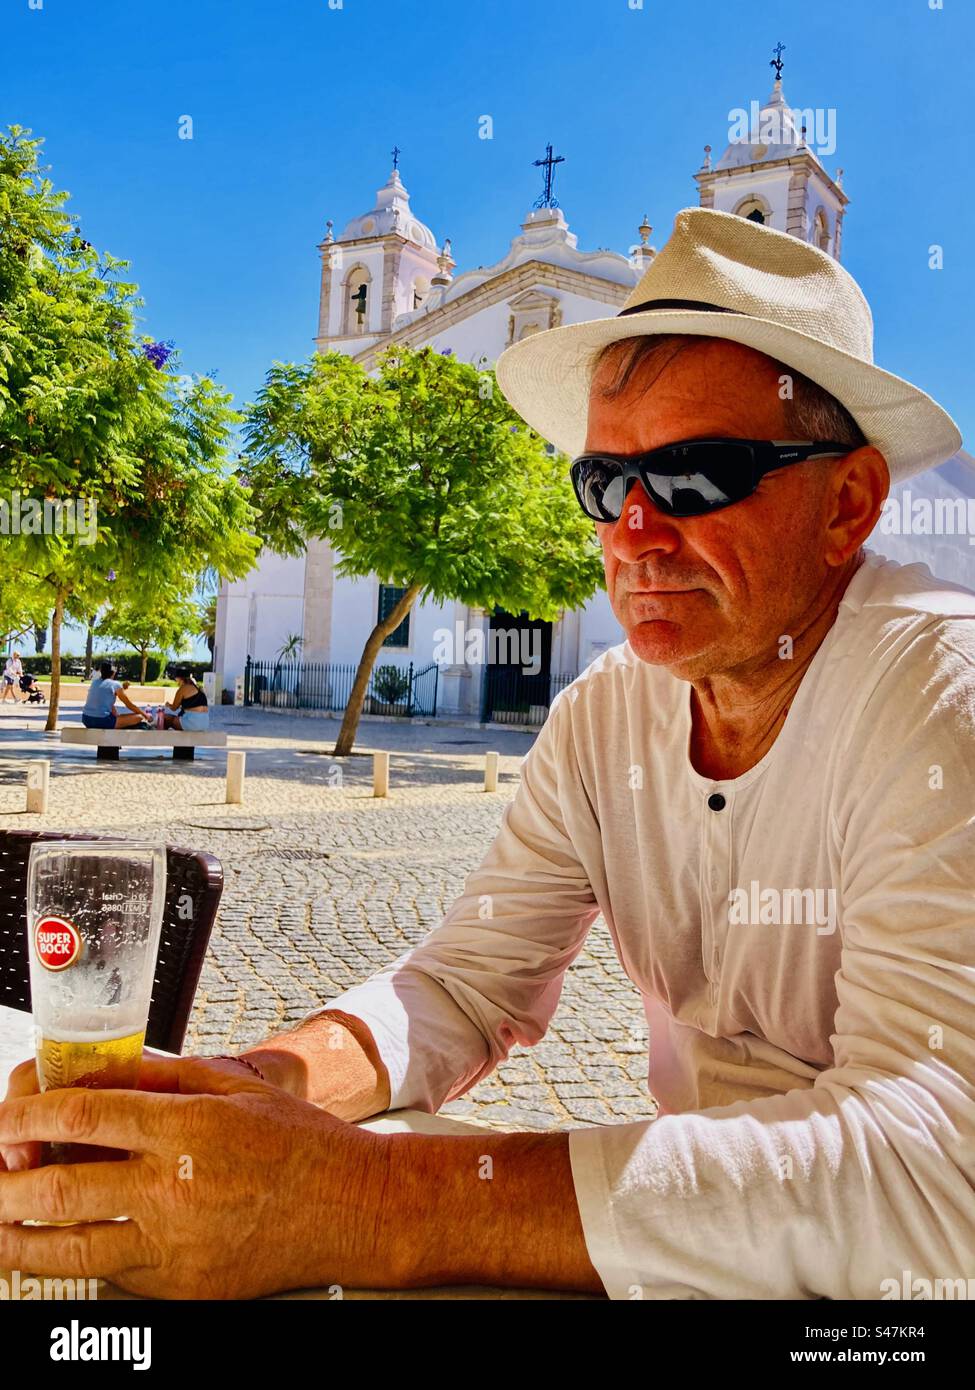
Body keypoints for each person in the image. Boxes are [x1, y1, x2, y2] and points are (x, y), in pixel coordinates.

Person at [2, 209, 973, 1301]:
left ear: (849, 504)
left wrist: (360, 1199)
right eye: (605, 484)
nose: (636, 533)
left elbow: (937, 1182)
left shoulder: (944, 697)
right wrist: (250, 1088)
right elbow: (464, 986)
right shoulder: (608, 714)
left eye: (700, 474)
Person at [80, 661, 151, 730]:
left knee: (114, 712)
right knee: (139, 717)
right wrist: (145, 715)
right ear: (113, 673)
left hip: (86, 719)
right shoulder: (115, 684)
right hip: (102, 721)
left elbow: (105, 694)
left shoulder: (94, 682)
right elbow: (129, 705)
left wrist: (122, 688)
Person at [162, 666, 209, 731]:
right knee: (178, 718)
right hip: (205, 723)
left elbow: (174, 708)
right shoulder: (198, 688)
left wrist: (168, 704)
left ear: (179, 678)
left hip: (193, 723)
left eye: (176, 679)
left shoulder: (183, 688)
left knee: (165, 718)